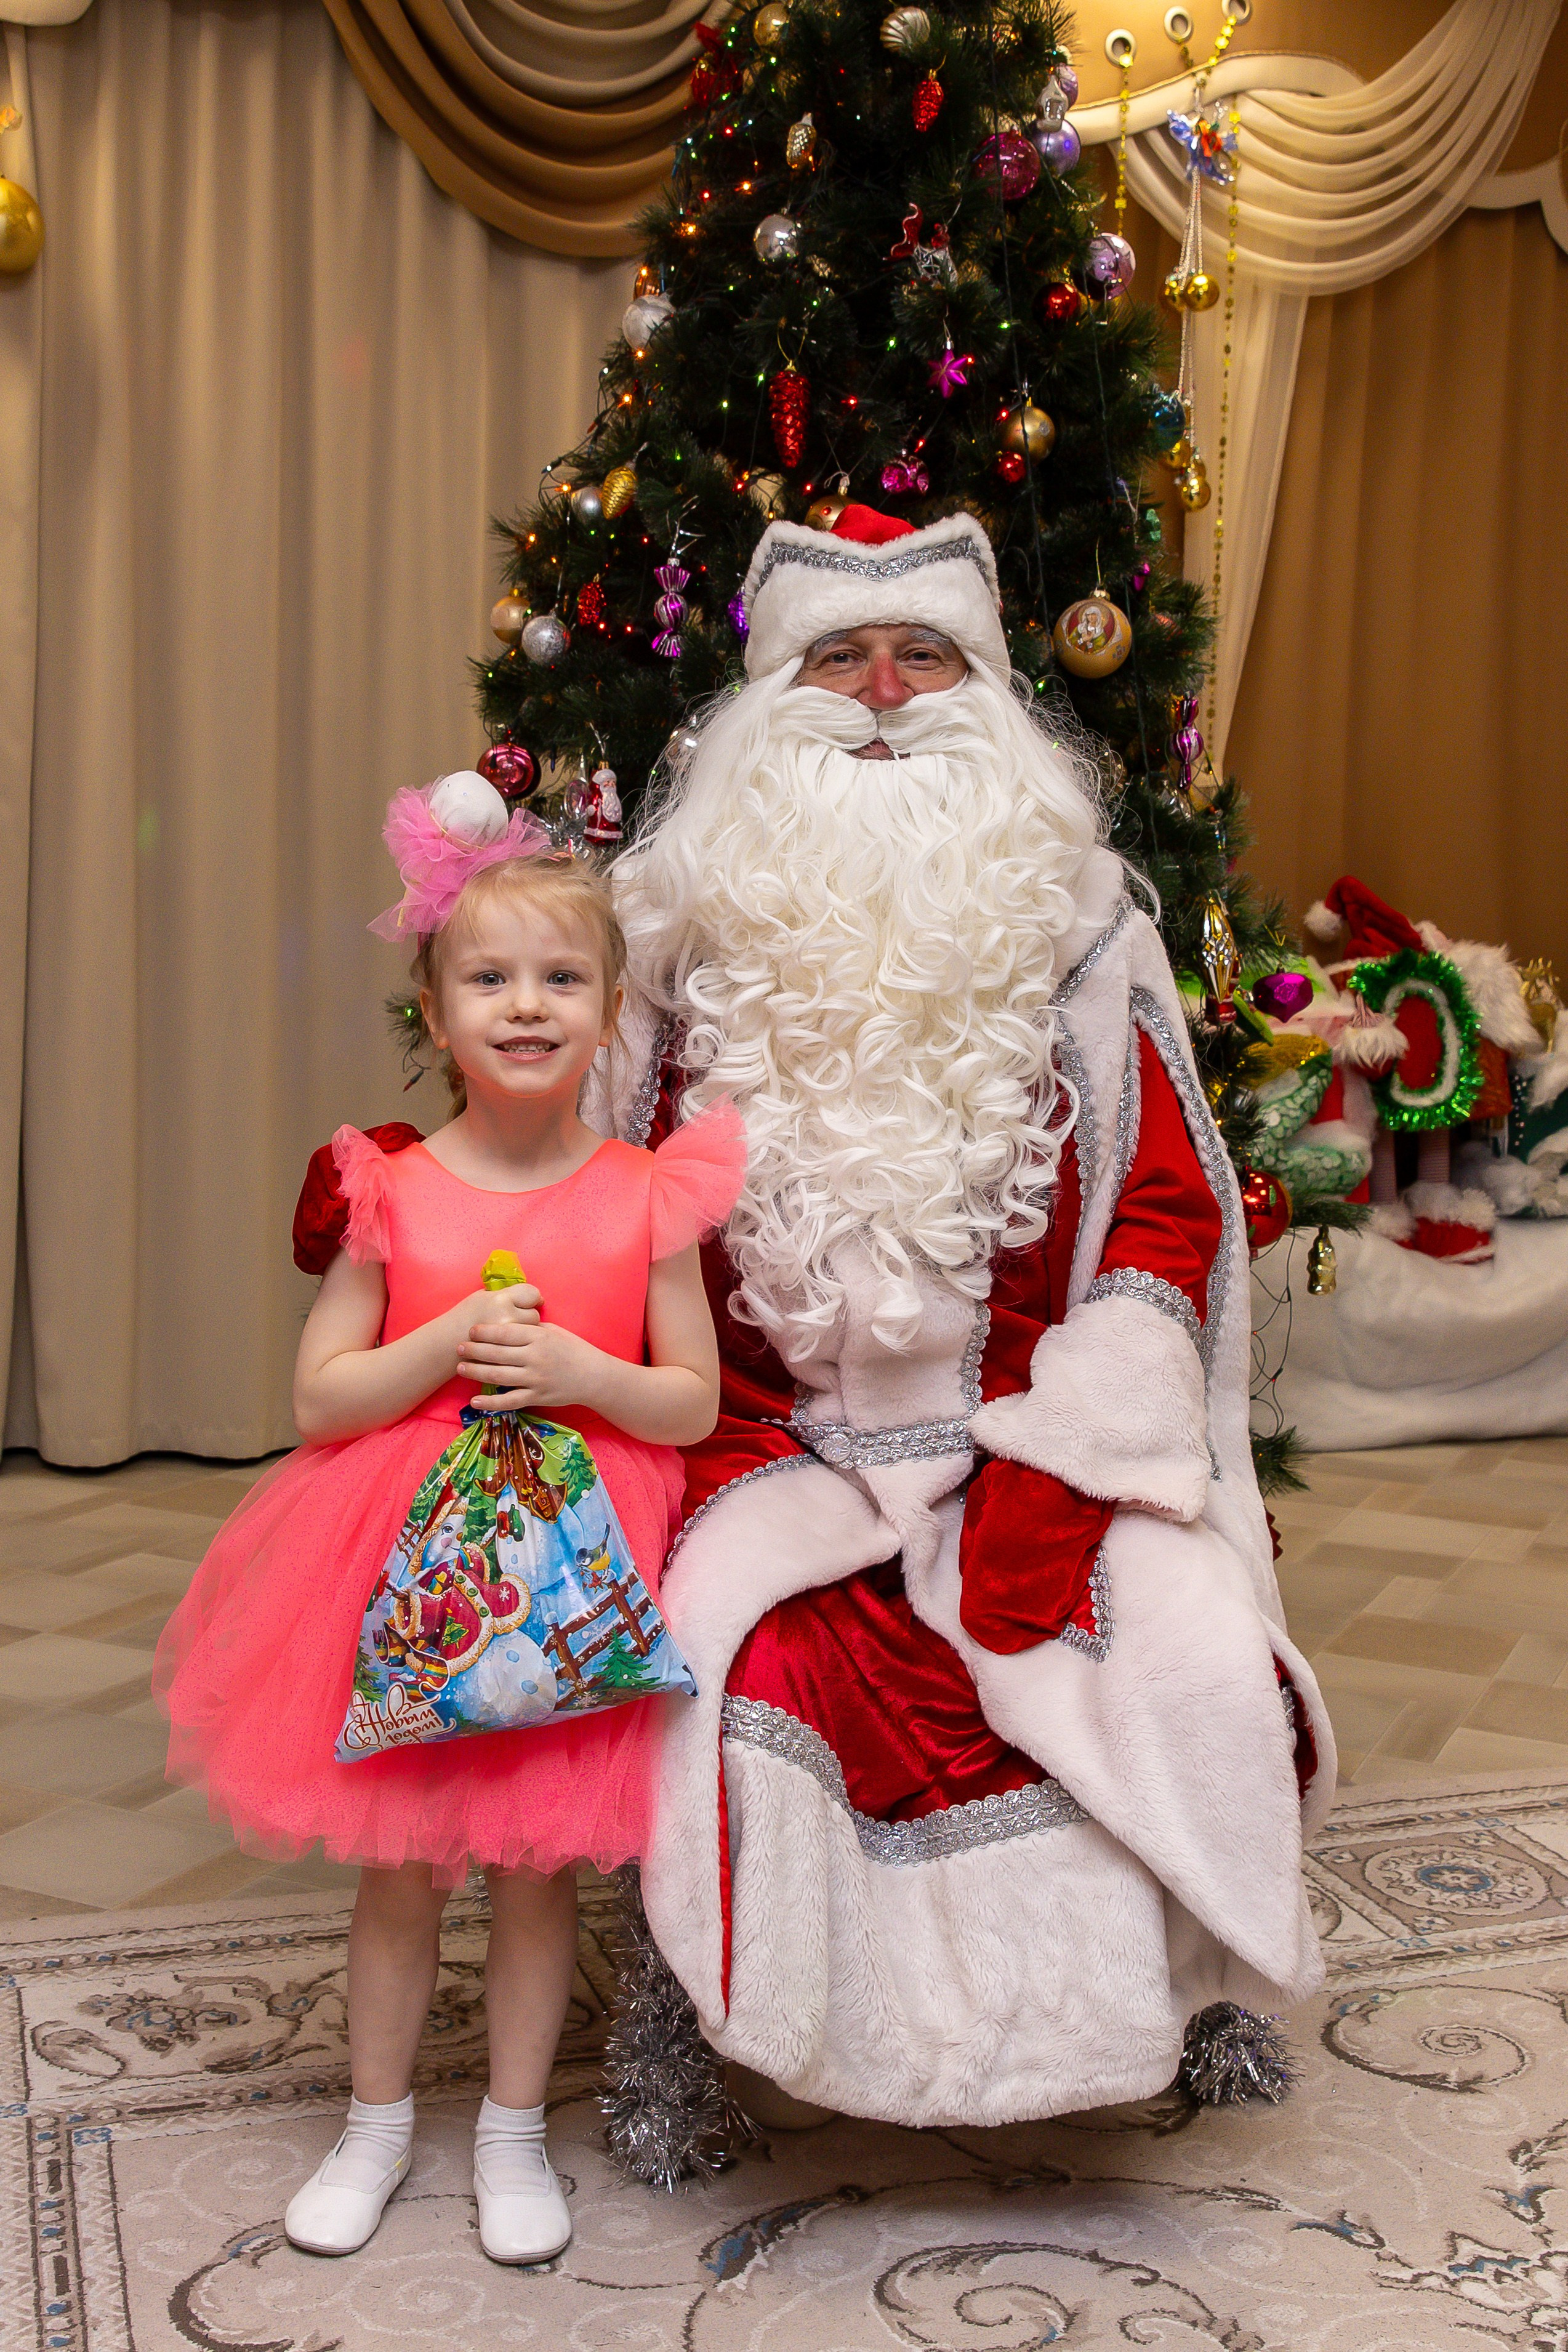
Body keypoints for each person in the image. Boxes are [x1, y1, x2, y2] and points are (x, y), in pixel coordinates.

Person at [600, 502, 1337, 2150]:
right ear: (763, 695)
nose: (876, 690)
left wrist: (1070, 1454)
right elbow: (578, 1179)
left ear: (986, 686)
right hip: (753, 1437)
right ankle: (687, 2029)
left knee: (1189, 1634)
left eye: (919, 653)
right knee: (735, 1653)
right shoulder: (663, 917)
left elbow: (1161, 1204)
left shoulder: (1078, 916)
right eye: (835, 658)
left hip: (1022, 1425)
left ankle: (1186, 1986)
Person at [155, 800, 745, 2261]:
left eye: (560, 980)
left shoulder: (645, 1193)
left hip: (571, 1576)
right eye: (489, 979)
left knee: (537, 1869)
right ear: (433, 1007)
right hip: (400, 1565)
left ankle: (508, 2128)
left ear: (610, 1012)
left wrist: (577, 1374)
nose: (525, 1006)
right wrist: (451, 1345)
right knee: (402, 1863)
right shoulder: (392, 1183)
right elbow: (318, 1394)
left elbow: (687, 1403)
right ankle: (374, 2121)